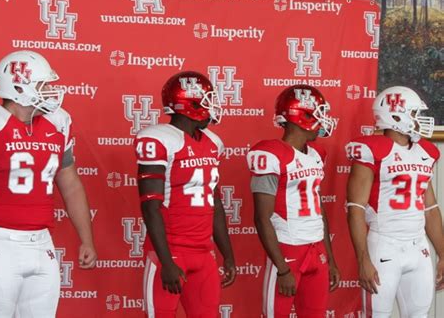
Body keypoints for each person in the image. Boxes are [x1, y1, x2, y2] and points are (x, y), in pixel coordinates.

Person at [0, 50, 97, 317]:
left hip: (42, 243)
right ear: (18, 86)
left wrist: (87, 239)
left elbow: (71, 184)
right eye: (43, 85)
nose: (50, 91)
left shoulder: (58, 122)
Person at [134, 71, 236, 317]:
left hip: (204, 253)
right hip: (170, 252)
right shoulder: (159, 139)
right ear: (189, 104)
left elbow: (216, 203)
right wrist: (166, 262)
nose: (212, 105)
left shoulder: (212, 142)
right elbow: (150, 206)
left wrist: (228, 255)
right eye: (206, 99)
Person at [346, 86, 444, 317]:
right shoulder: (372, 149)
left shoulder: (425, 152)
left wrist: (443, 253)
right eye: (414, 113)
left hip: (418, 246)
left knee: (419, 314)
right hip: (384, 244)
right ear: (396, 116)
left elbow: (429, 208)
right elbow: (356, 209)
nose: (419, 120)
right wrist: (363, 260)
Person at [247, 85, 340, 318]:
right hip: (288, 250)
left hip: (316, 249)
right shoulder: (271, 154)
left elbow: (319, 210)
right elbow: (261, 217)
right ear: (302, 116)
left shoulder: (317, 154)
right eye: (318, 113)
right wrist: (282, 268)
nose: (323, 120)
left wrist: (329, 258)